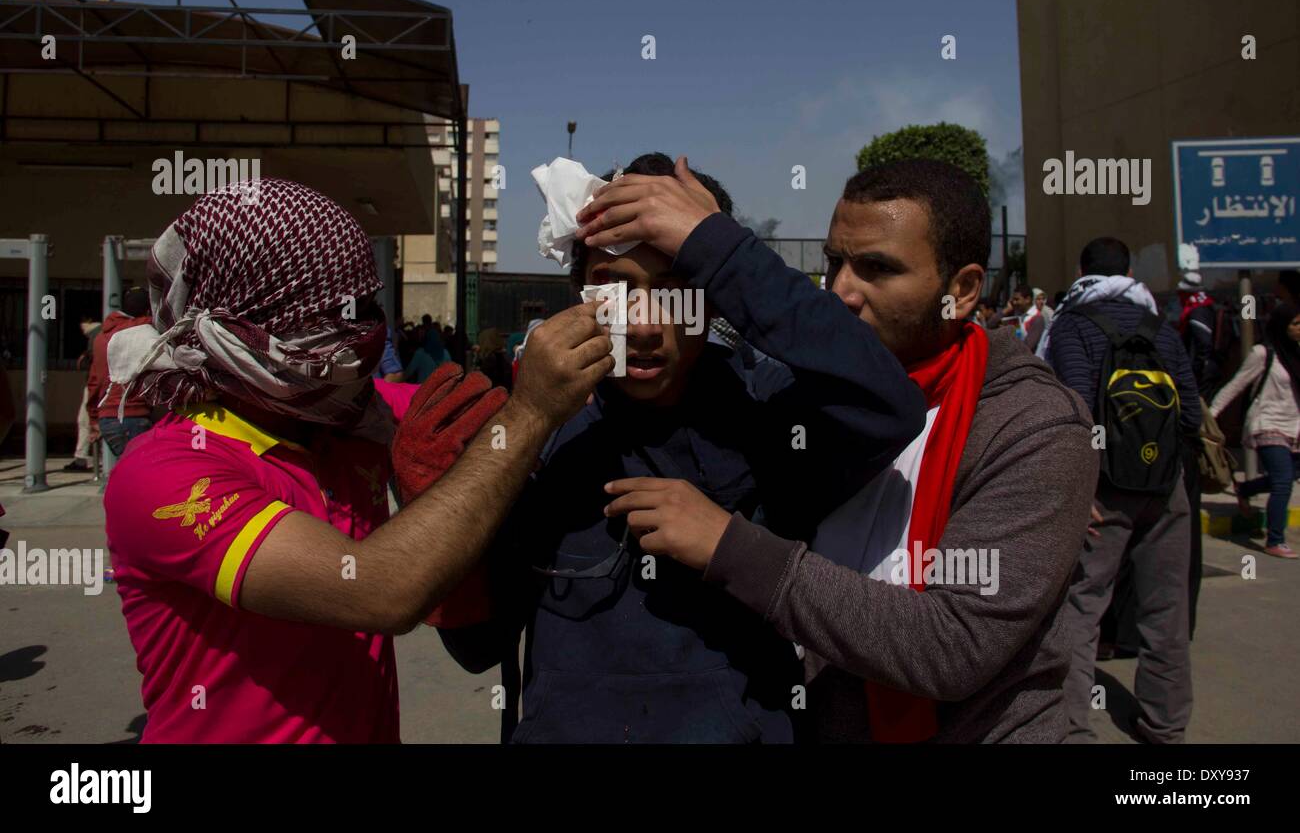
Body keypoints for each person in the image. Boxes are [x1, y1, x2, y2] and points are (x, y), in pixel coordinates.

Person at [572, 157, 1098, 742]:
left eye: (877, 269)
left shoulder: (1035, 427)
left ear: (964, 289)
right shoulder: (795, 398)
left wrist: (731, 547)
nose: (841, 291)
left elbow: (950, 647)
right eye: (833, 263)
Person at [435, 152, 925, 743]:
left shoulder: (767, 417)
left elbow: (889, 407)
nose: (643, 324)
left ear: (716, 298)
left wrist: (721, 248)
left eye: (675, 292)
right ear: (578, 294)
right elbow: (477, 647)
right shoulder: (537, 429)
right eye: (613, 288)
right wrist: (451, 518)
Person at [103, 178, 612, 743]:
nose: (366, 334)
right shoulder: (166, 474)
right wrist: (532, 412)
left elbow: (471, 418)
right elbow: (380, 590)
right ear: (243, 331)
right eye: (336, 316)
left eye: (369, 308)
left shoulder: (347, 417)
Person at [1044, 237, 1200, 744]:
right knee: (1166, 610)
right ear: (1130, 271)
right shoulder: (1160, 325)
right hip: (1166, 487)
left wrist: (1079, 487)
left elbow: (1076, 411)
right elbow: (1192, 413)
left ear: (1081, 270)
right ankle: (1165, 726)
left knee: (1083, 607)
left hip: (1103, 489)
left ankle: (1072, 729)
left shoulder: (1070, 323)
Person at [1209, 302, 1300, 558]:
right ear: (1282, 327)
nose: (1299, 329)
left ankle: (1246, 490)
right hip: (1267, 423)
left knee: (1288, 475)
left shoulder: (1296, 354)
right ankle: (1275, 539)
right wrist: (1210, 417)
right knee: (1283, 481)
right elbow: (1235, 386)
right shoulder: (1264, 354)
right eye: (1295, 324)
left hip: (1294, 427)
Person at [87, 287, 155, 458]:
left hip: (107, 418)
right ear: (148, 309)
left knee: (128, 470)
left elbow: (95, 380)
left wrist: (93, 417)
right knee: (139, 473)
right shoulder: (144, 330)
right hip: (135, 414)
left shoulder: (101, 337)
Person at [65, 314, 102, 472]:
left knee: (85, 420)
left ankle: (81, 459)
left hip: (96, 384)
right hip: (106, 385)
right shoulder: (103, 333)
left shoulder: (95, 335)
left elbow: (94, 366)